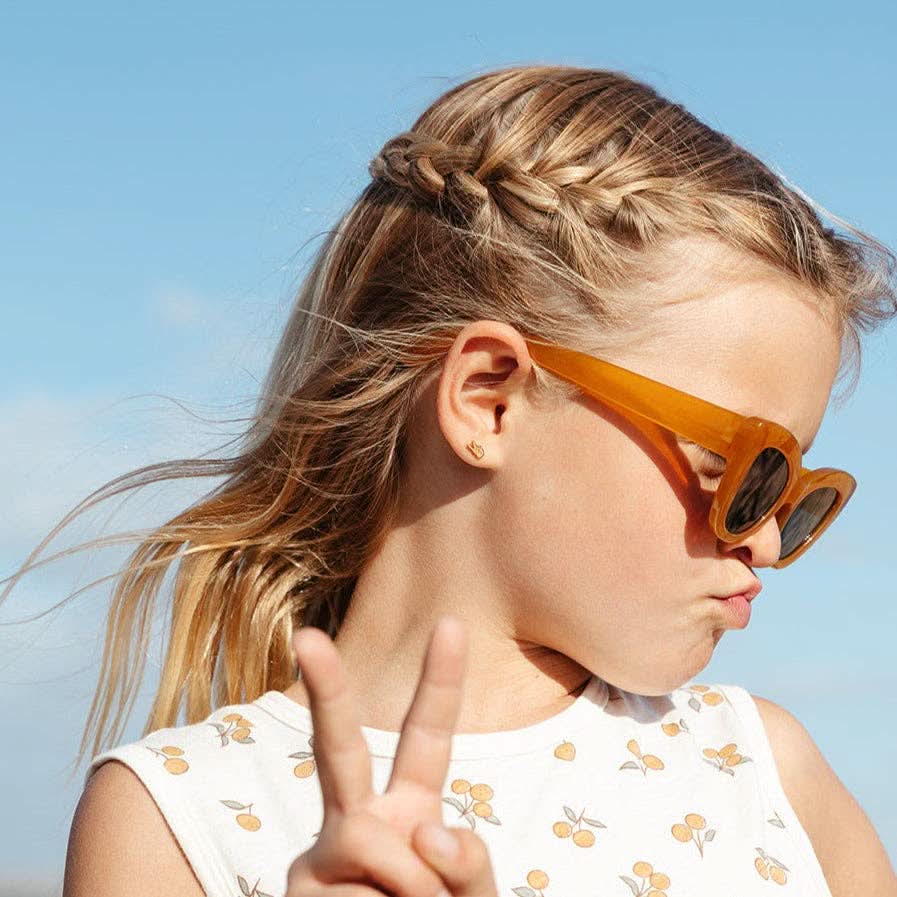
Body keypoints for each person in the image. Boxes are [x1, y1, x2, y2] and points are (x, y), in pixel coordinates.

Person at [10, 63, 893, 895]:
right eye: (736, 469)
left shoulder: (764, 770)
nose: (767, 539)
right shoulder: (174, 814)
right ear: (488, 401)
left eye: (791, 494)